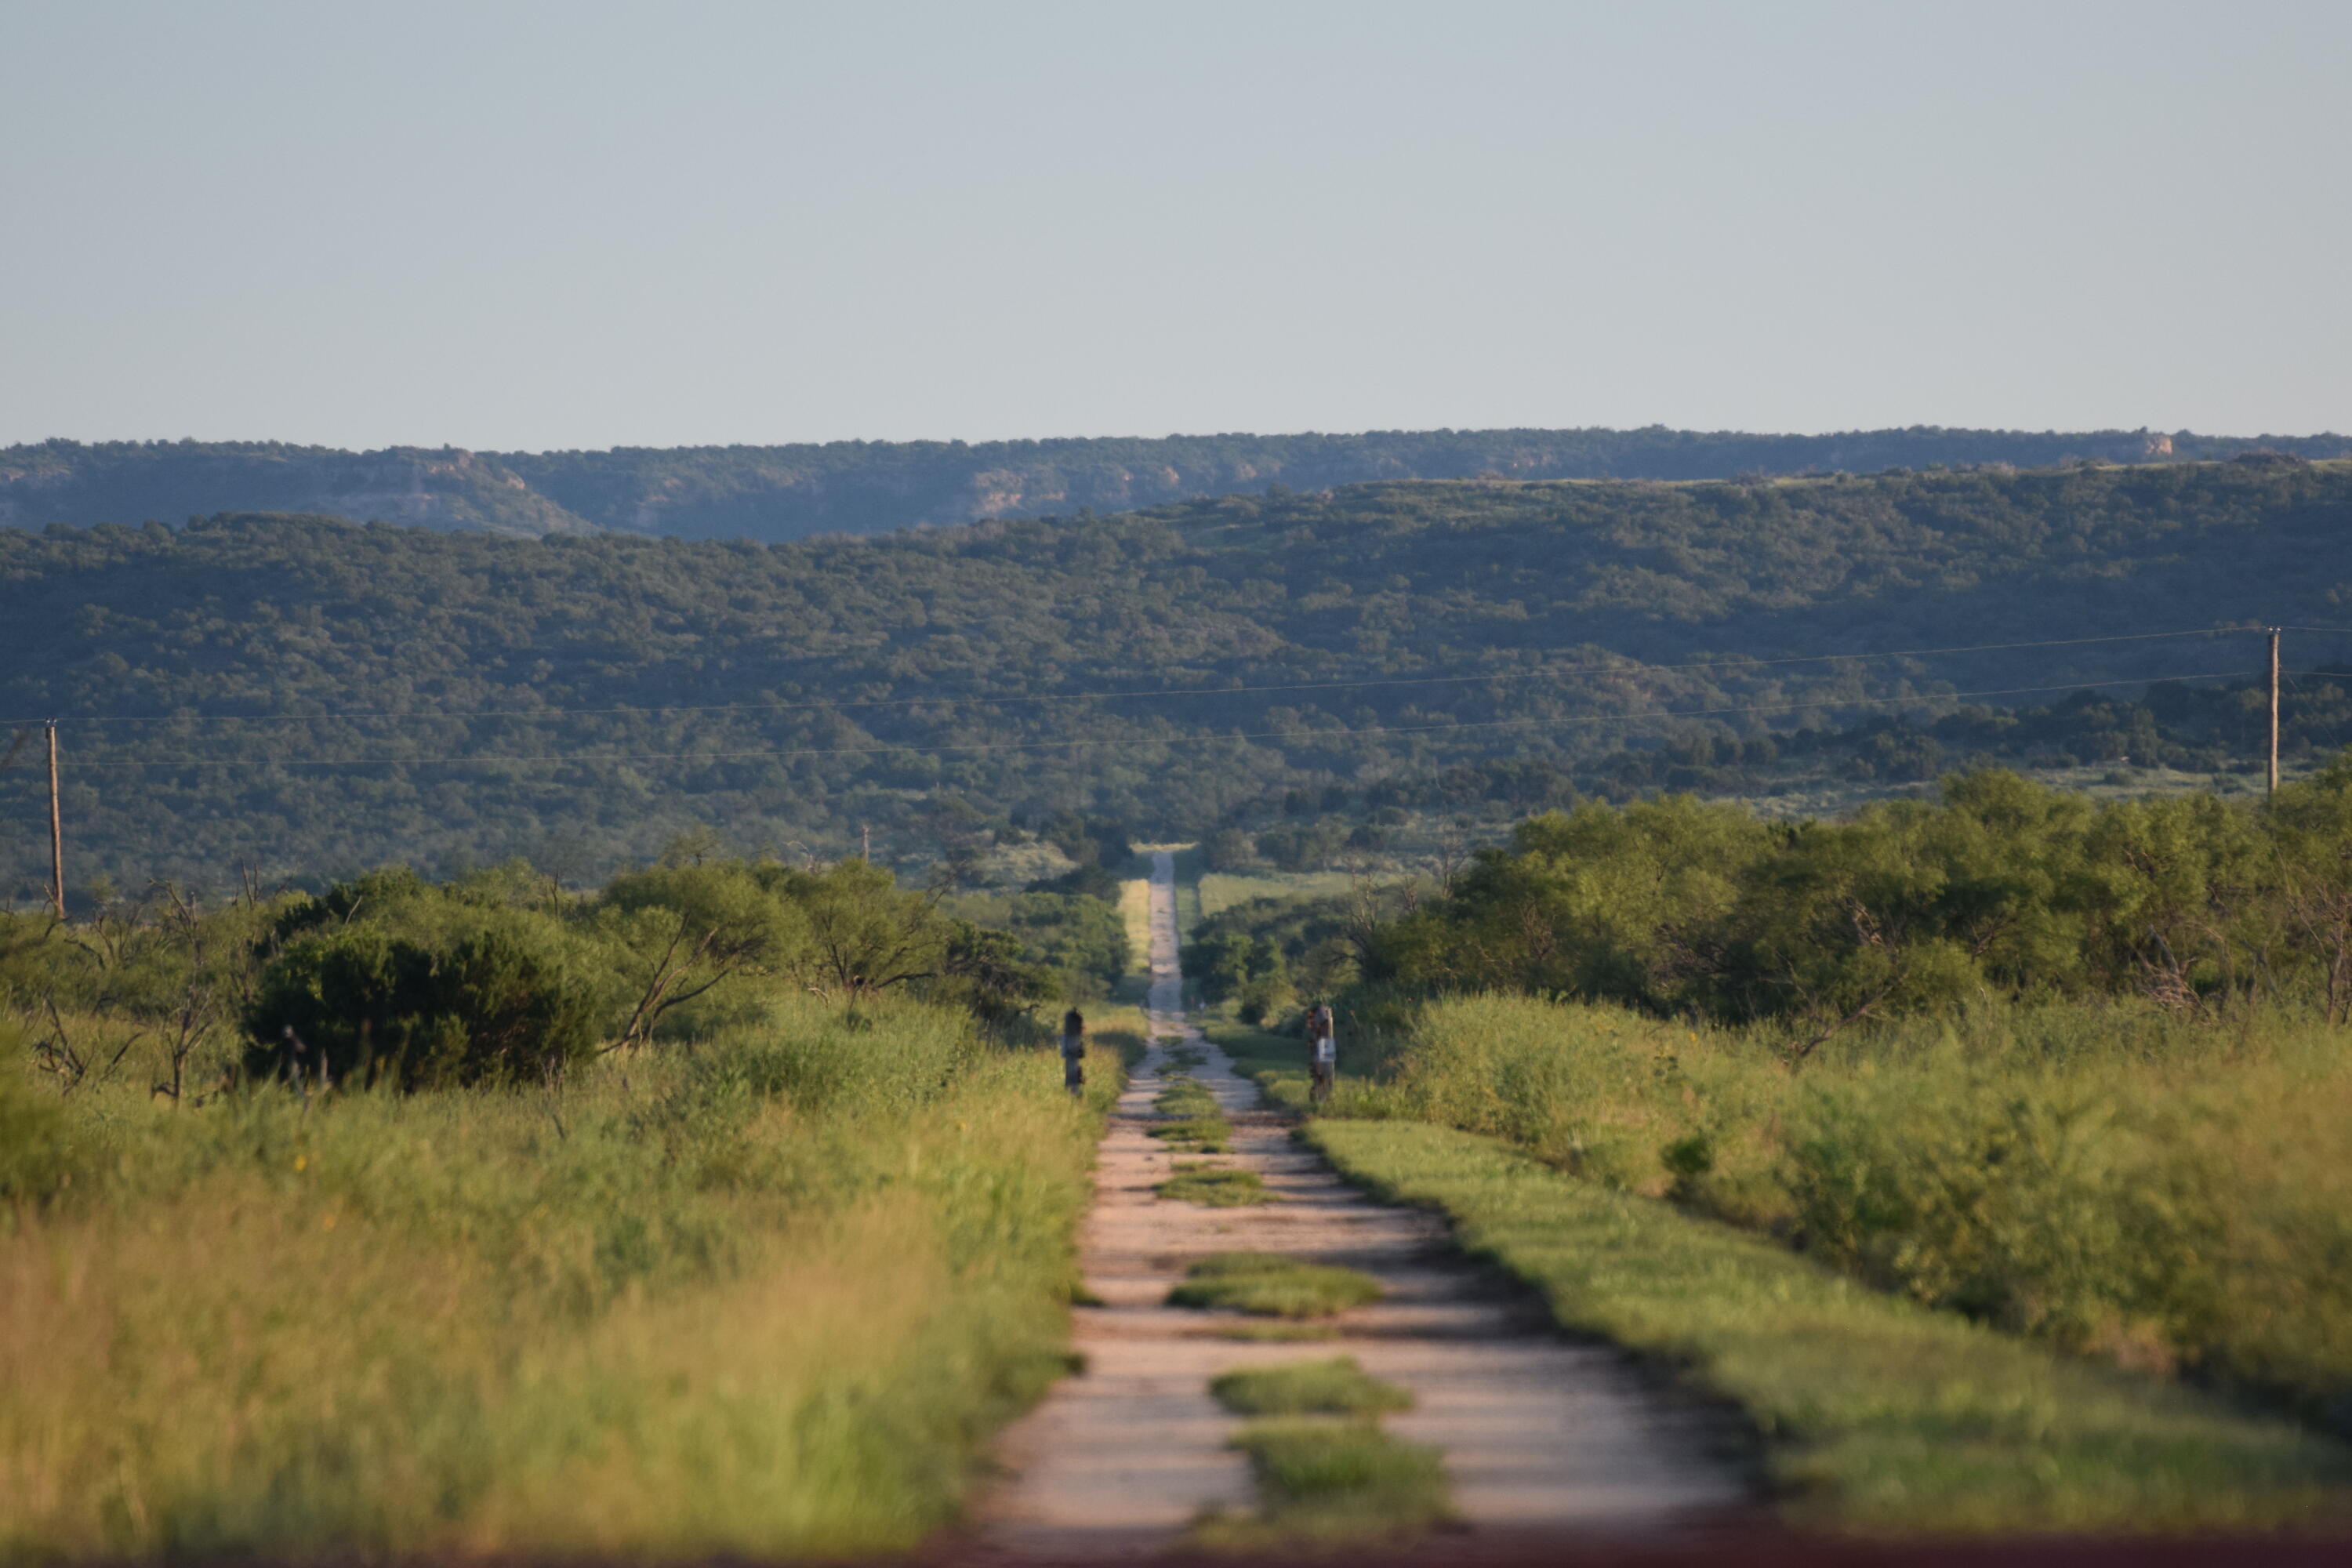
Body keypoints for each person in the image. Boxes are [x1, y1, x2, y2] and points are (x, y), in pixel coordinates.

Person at [1306, 1002, 1336, 1105]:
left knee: (1323, 1073)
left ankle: (1324, 1099)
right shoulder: (1322, 1022)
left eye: (1311, 1018)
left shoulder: (1322, 1015)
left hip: (1324, 1046)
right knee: (1320, 1073)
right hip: (1322, 1046)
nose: (1310, 1022)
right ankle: (1322, 1098)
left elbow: (1322, 1023)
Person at [1060, 1007, 1087, 1099]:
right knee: (1073, 1076)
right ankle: (1073, 1095)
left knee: (1072, 1077)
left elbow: (1065, 1052)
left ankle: (1072, 1095)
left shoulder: (1069, 1035)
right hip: (1073, 1056)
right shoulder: (1074, 1035)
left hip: (1071, 1056)